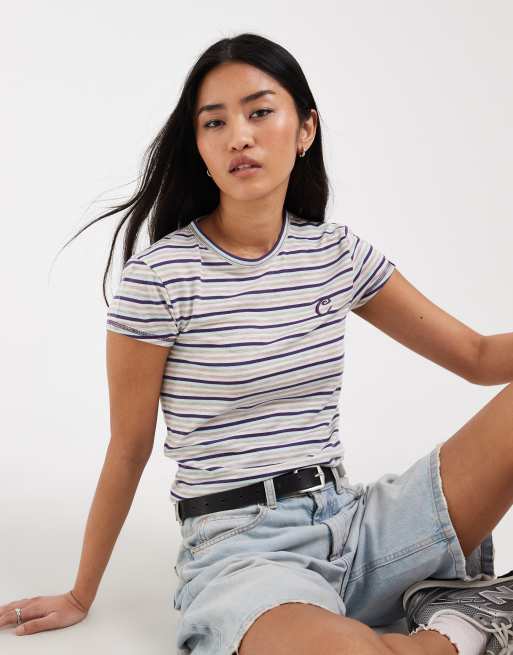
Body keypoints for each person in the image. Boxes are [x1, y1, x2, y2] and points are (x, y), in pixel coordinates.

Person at [2, 32, 513, 655]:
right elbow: (129, 447)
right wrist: (81, 594)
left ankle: (446, 611)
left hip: (360, 526)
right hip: (243, 554)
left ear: (305, 129)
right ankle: (465, 623)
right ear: (199, 147)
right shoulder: (161, 278)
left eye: (260, 112)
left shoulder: (335, 253)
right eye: (214, 122)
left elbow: (477, 357)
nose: (238, 136)